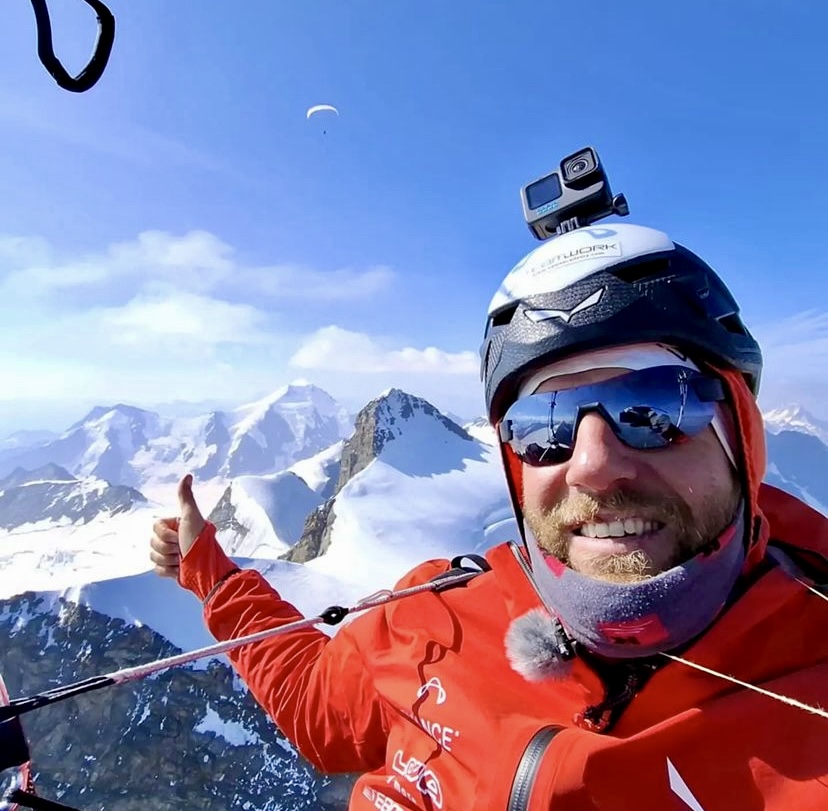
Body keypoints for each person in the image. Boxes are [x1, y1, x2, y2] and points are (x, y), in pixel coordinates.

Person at [150, 222, 828, 810]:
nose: (592, 462)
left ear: (742, 433)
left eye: (655, 402)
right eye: (544, 423)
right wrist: (209, 571)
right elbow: (314, 706)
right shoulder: (432, 618)